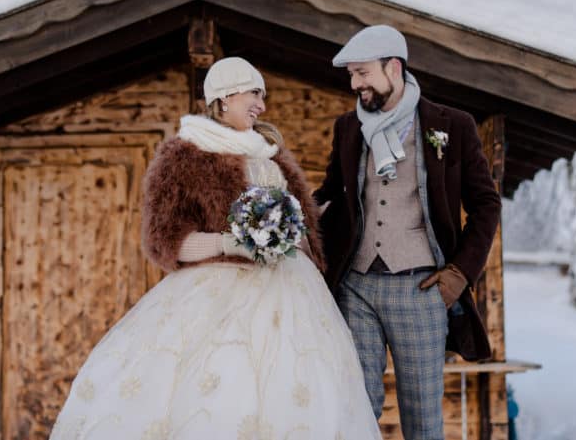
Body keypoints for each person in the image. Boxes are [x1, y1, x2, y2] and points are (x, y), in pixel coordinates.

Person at [50, 57, 381, 440]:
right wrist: (235, 244)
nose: (262, 104)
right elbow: (165, 241)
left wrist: (297, 233)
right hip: (217, 294)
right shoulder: (184, 155)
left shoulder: (270, 154)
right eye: (254, 93)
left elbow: (302, 231)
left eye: (264, 95)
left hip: (293, 292)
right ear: (224, 97)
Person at [315, 25, 502, 440]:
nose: (354, 83)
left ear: (393, 68)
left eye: (362, 73)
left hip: (421, 289)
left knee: (422, 419)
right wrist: (294, 213)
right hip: (356, 286)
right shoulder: (348, 128)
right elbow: (331, 195)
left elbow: (486, 205)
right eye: (351, 75)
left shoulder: (452, 125)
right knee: (356, 408)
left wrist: (458, 274)